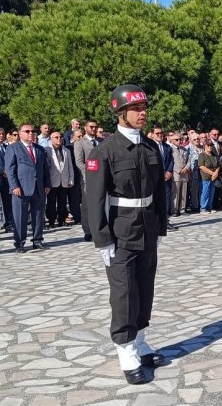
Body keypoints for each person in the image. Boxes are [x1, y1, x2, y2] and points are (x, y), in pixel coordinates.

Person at [85, 84, 168, 385]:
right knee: (124, 294)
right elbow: (93, 199)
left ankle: (140, 341)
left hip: (147, 226)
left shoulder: (151, 147)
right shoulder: (104, 151)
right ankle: (125, 349)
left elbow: (159, 190)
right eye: (135, 108)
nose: (142, 113)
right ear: (120, 113)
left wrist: (160, 226)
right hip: (120, 231)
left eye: (144, 108)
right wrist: (101, 239)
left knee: (145, 289)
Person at [5, 124, 51, 253]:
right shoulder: (13, 148)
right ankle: (19, 243)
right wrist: (14, 186)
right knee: (20, 216)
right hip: (21, 188)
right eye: (27, 131)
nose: (31, 133)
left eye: (32, 131)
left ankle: (37, 240)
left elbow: (45, 168)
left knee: (38, 215)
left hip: (38, 187)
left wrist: (47, 184)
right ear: (20, 134)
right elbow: (10, 169)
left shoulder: (39, 149)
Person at [74, 119, 100, 241]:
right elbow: (79, 162)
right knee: (87, 206)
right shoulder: (79, 143)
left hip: (103, 178)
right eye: (91, 127)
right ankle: (88, 231)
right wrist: (92, 172)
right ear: (85, 128)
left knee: (100, 204)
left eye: (95, 127)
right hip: (88, 178)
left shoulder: (101, 141)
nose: (93, 129)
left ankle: (99, 229)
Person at [44, 131, 74, 228]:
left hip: (64, 180)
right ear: (51, 139)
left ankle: (62, 219)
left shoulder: (66, 151)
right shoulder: (47, 150)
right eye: (56, 137)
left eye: (60, 137)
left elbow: (70, 166)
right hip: (52, 180)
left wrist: (71, 179)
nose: (59, 139)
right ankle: (51, 221)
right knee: (51, 202)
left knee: (63, 201)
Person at [152, 126, 176, 230]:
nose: (159, 135)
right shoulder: (149, 147)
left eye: (161, 133)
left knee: (166, 199)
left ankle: (165, 220)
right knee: (155, 199)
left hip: (167, 178)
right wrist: (161, 172)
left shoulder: (167, 147)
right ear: (152, 135)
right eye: (157, 133)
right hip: (155, 178)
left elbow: (171, 160)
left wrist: (169, 171)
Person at [169, 132, 190, 216]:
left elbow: (189, 160)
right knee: (176, 193)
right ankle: (174, 210)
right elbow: (171, 161)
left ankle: (182, 210)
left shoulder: (184, 149)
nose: (179, 141)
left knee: (183, 192)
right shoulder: (170, 149)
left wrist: (186, 168)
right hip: (176, 173)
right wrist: (178, 170)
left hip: (185, 173)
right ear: (172, 140)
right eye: (176, 139)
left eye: (180, 139)